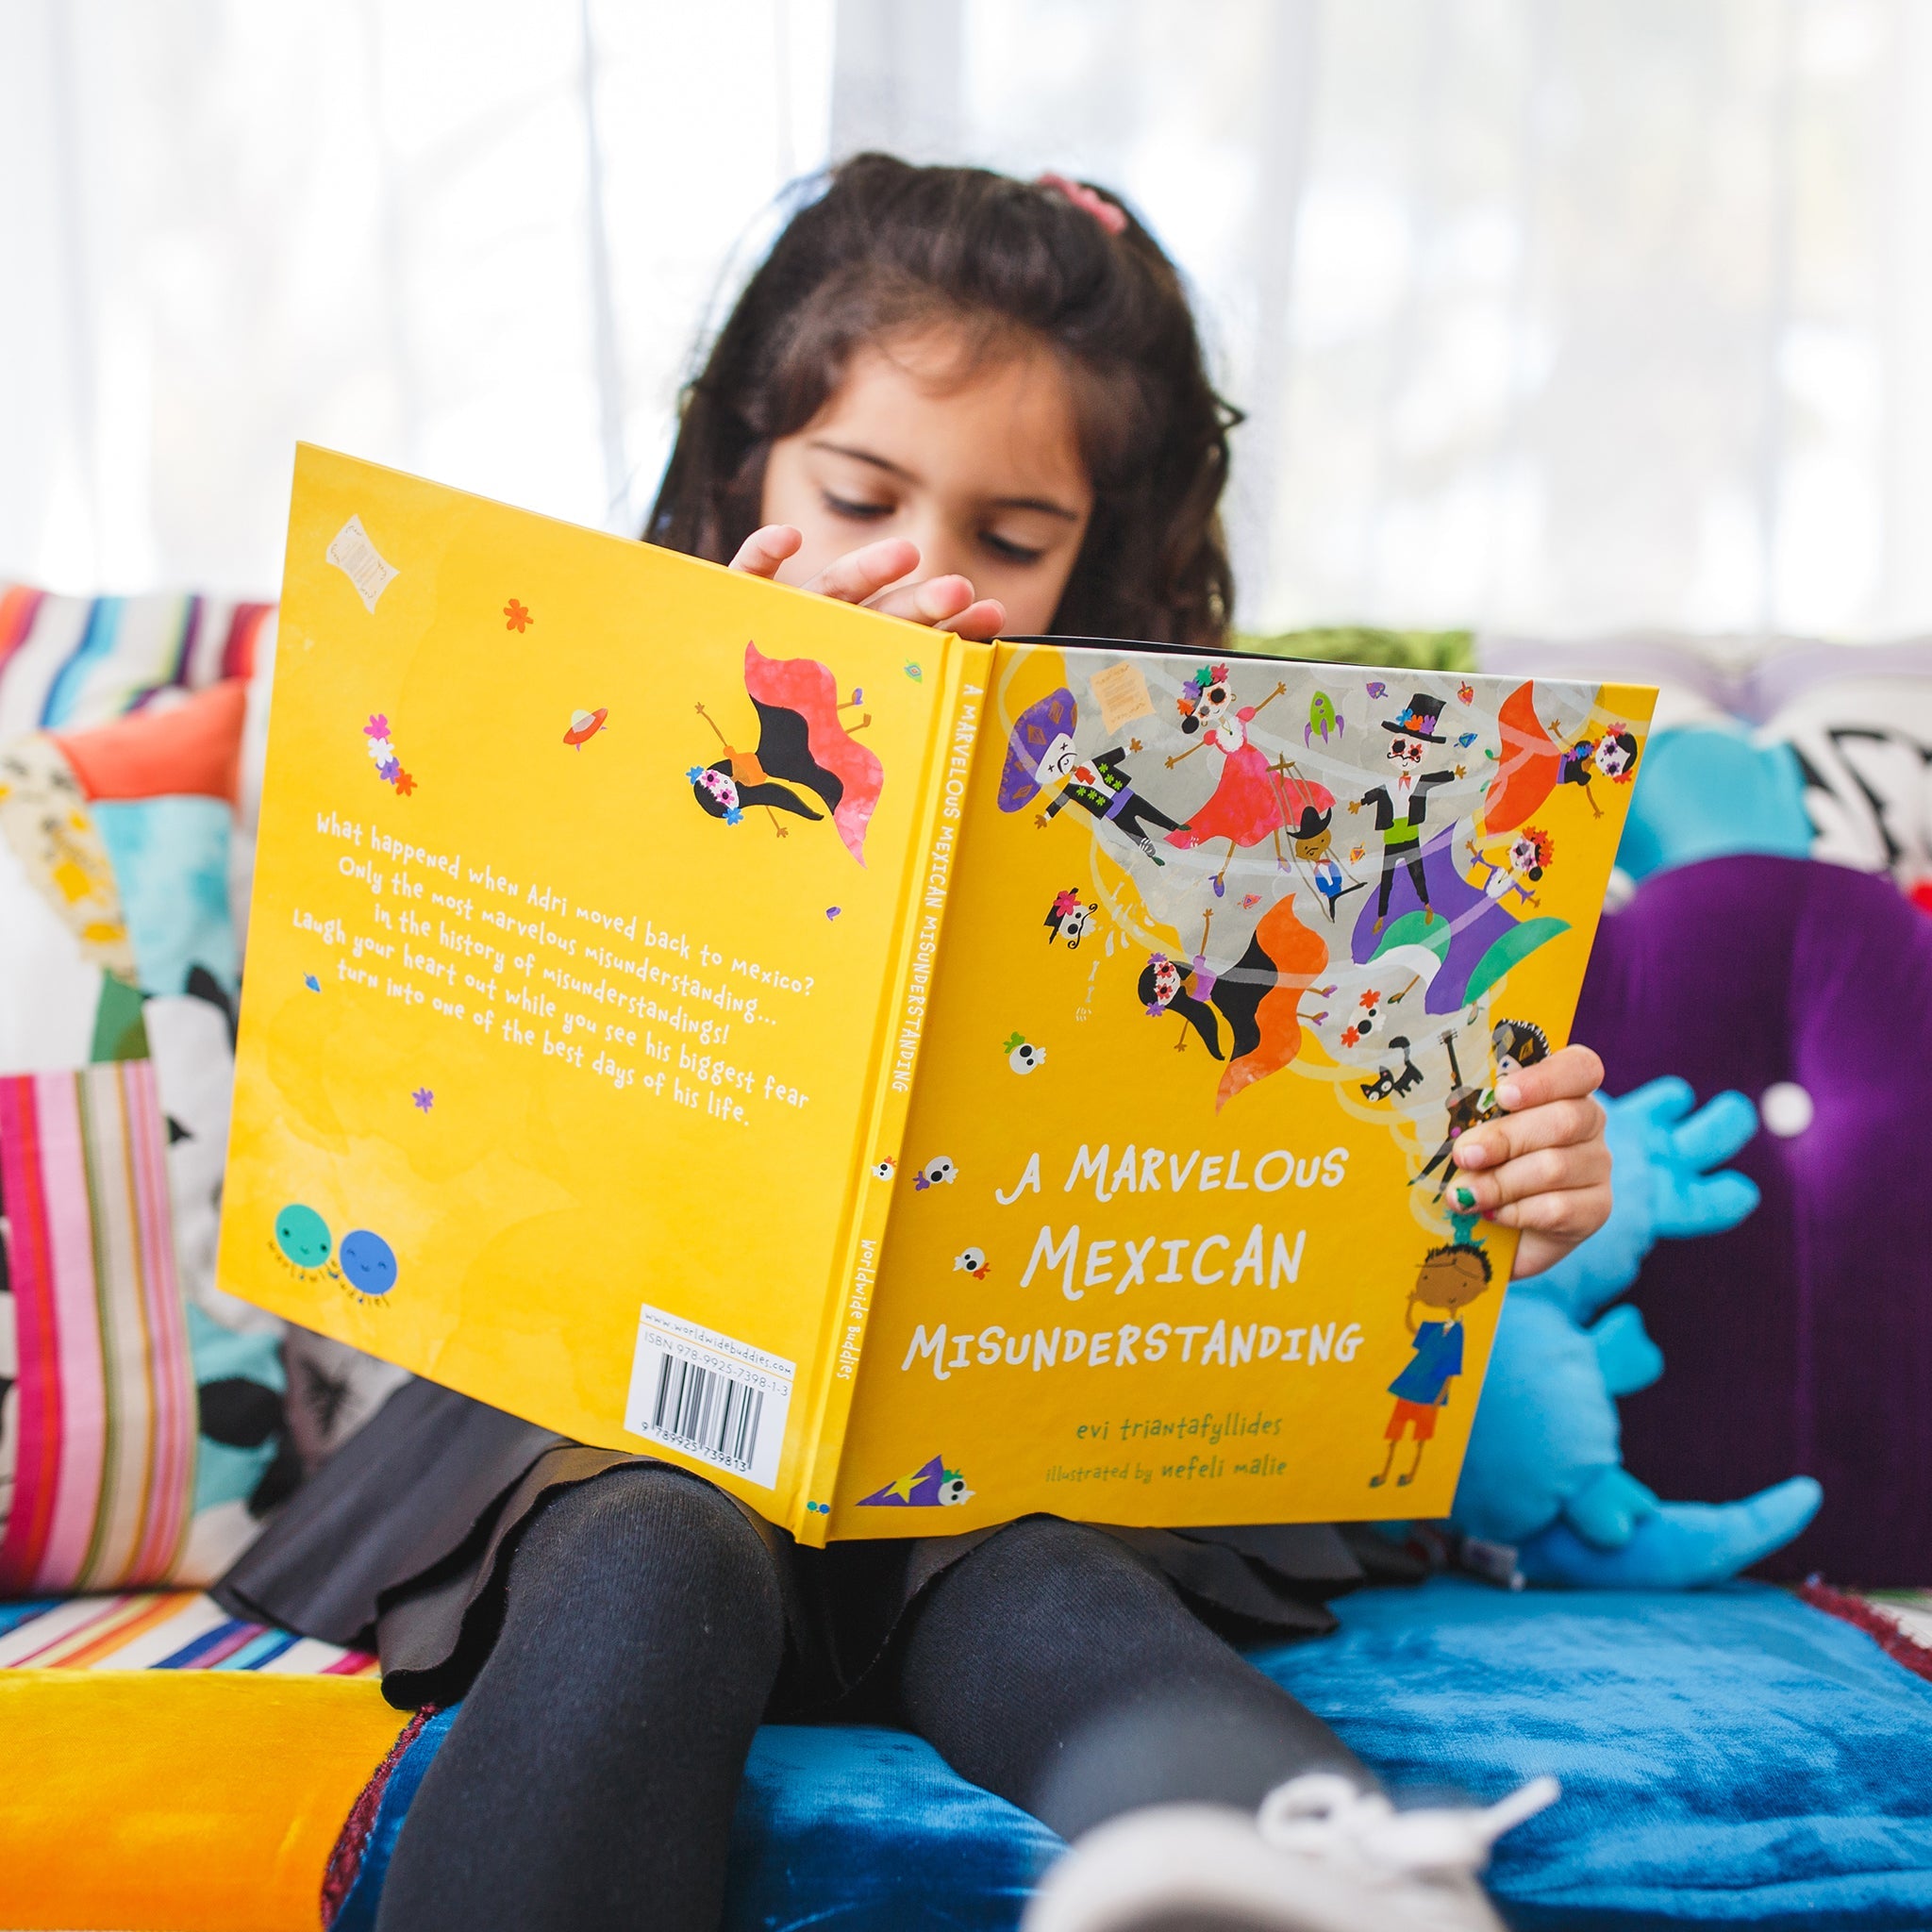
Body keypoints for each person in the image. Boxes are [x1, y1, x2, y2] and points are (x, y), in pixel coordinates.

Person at [219, 156, 1612, 1932]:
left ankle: (1308, 1869)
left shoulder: (1200, 800)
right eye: (860, 492)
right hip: (596, 1419)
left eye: (1011, 540)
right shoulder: (606, 719)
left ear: (1100, 552)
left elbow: (1336, 1089)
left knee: (1023, 1572)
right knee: (651, 1542)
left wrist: (1502, 1165)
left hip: (1005, 1441)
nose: (925, 572)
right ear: (747, 467)